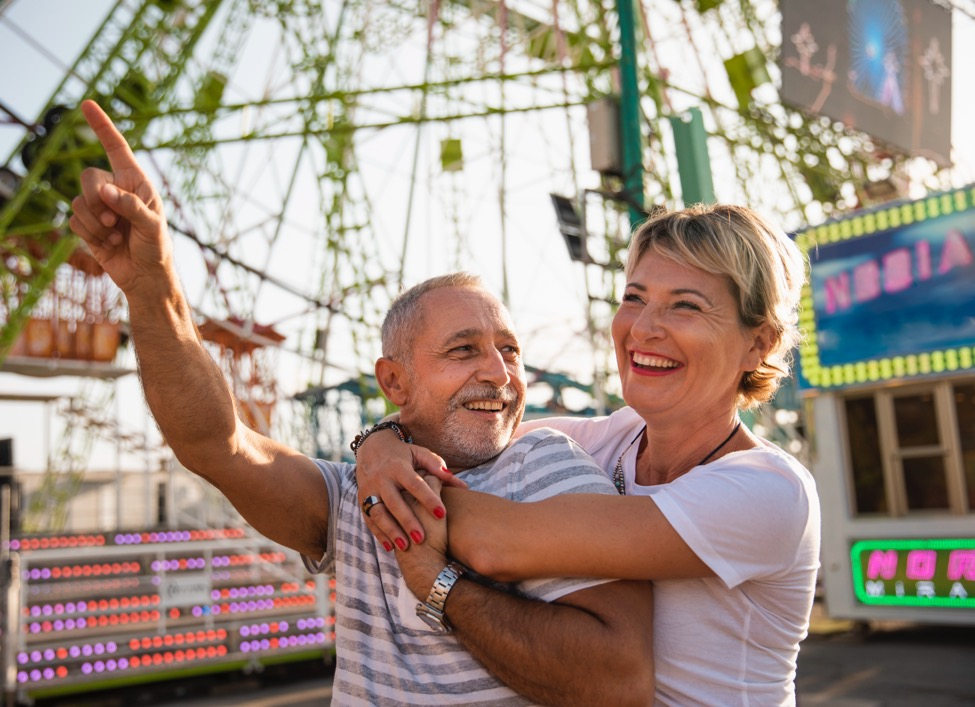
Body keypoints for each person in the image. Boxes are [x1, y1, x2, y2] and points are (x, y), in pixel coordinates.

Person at [67, 100, 654, 706]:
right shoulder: (354, 498)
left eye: (510, 349)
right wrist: (152, 285)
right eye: (463, 350)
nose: (499, 373)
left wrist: (438, 583)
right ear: (394, 384)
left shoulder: (550, 466)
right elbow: (217, 444)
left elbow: (617, 680)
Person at [356, 203, 822, 705]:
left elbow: (496, 544)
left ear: (759, 344)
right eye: (634, 298)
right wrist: (379, 445)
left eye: (684, 306)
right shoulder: (604, 440)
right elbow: (450, 430)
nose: (643, 328)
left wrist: (392, 477)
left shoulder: (768, 491)